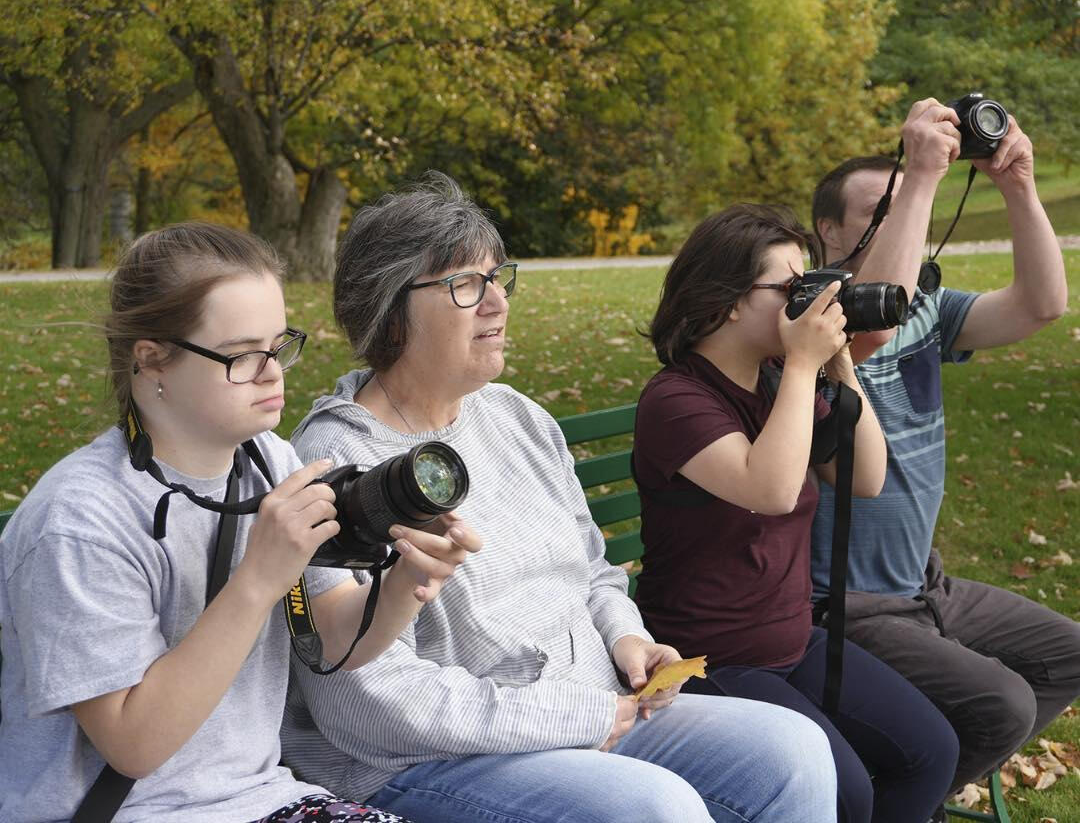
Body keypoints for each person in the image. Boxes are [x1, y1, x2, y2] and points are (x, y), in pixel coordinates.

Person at [282, 172, 839, 823]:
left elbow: (593, 572)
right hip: (429, 759)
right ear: (389, 308)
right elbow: (366, 702)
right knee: (653, 809)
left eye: (498, 278)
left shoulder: (514, 416)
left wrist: (627, 638)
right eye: (466, 285)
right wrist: (572, 715)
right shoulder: (336, 467)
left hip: (595, 705)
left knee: (793, 750)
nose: (498, 304)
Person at [0, 222, 480, 823]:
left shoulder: (269, 462)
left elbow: (335, 638)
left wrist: (409, 579)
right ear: (152, 361)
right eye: (243, 355)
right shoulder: (80, 521)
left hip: (261, 799)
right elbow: (132, 745)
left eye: (278, 346)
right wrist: (257, 580)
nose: (273, 372)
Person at [632, 203, 959, 823]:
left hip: (792, 639)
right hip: (711, 658)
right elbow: (773, 490)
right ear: (730, 301)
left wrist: (839, 366)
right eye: (790, 290)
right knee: (847, 792)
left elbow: (865, 477)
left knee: (930, 752)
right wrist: (804, 367)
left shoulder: (776, 381)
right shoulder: (677, 399)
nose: (808, 303)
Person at [810, 97, 1079, 797]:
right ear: (827, 229)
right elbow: (871, 325)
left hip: (921, 584)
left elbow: (1041, 306)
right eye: (879, 209)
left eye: (905, 204)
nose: (901, 216)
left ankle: (908, 786)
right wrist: (922, 177)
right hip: (840, 602)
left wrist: (1018, 185)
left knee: (1067, 655)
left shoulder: (927, 307)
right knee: (1002, 705)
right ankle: (896, 797)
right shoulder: (808, 316)